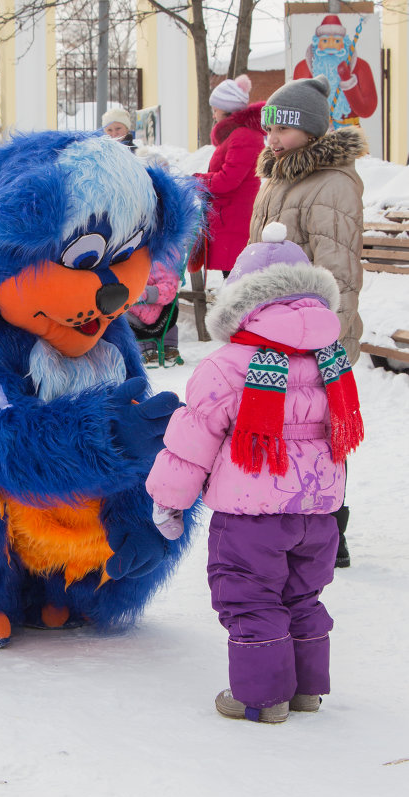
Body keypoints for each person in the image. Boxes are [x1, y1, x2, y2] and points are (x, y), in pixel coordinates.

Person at [146, 222, 364, 723]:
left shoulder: (229, 366)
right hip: (319, 514)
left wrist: (169, 500)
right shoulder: (332, 361)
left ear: (242, 298)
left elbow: (191, 442)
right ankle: (306, 689)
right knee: (302, 595)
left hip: (251, 518)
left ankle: (262, 699)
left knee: (250, 598)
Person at [250, 74, 367, 568]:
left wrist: (326, 340)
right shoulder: (281, 174)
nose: (271, 138)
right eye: (268, 128)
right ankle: (289, 518)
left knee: (319, 431)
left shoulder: (331, 184)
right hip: (276, 329)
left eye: (282, 129)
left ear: (311, 130)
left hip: (315, 335)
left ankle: (329, 528)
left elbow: (337, 270)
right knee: (284, 426)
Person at [188, 75, 265, 279]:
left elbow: (229, 179)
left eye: (215, 110)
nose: (214, 116)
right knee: (233, 277)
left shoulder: (243, 136)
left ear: (225, 110)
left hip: (234, 219)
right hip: (230, 217)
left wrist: (199, 181)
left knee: (236, 278)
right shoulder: (240, 135)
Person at [293, 14, 377, 129]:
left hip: (350, 135)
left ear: (344, 43)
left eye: (337, 41)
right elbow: (297, 108)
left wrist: (348, 82)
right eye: (325, 40)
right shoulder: (303, 67)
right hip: (318, 133)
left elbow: (367, 110)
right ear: (317, 43)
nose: (331, 45)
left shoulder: (361, 66)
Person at [127, 260, 181, 365]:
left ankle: (167, 345)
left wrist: (146, 293)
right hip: (133, 310)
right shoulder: (132, 259)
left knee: (172, 306)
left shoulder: (162, 262)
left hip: (160, 312)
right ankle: (146, 347)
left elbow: (169, 289)